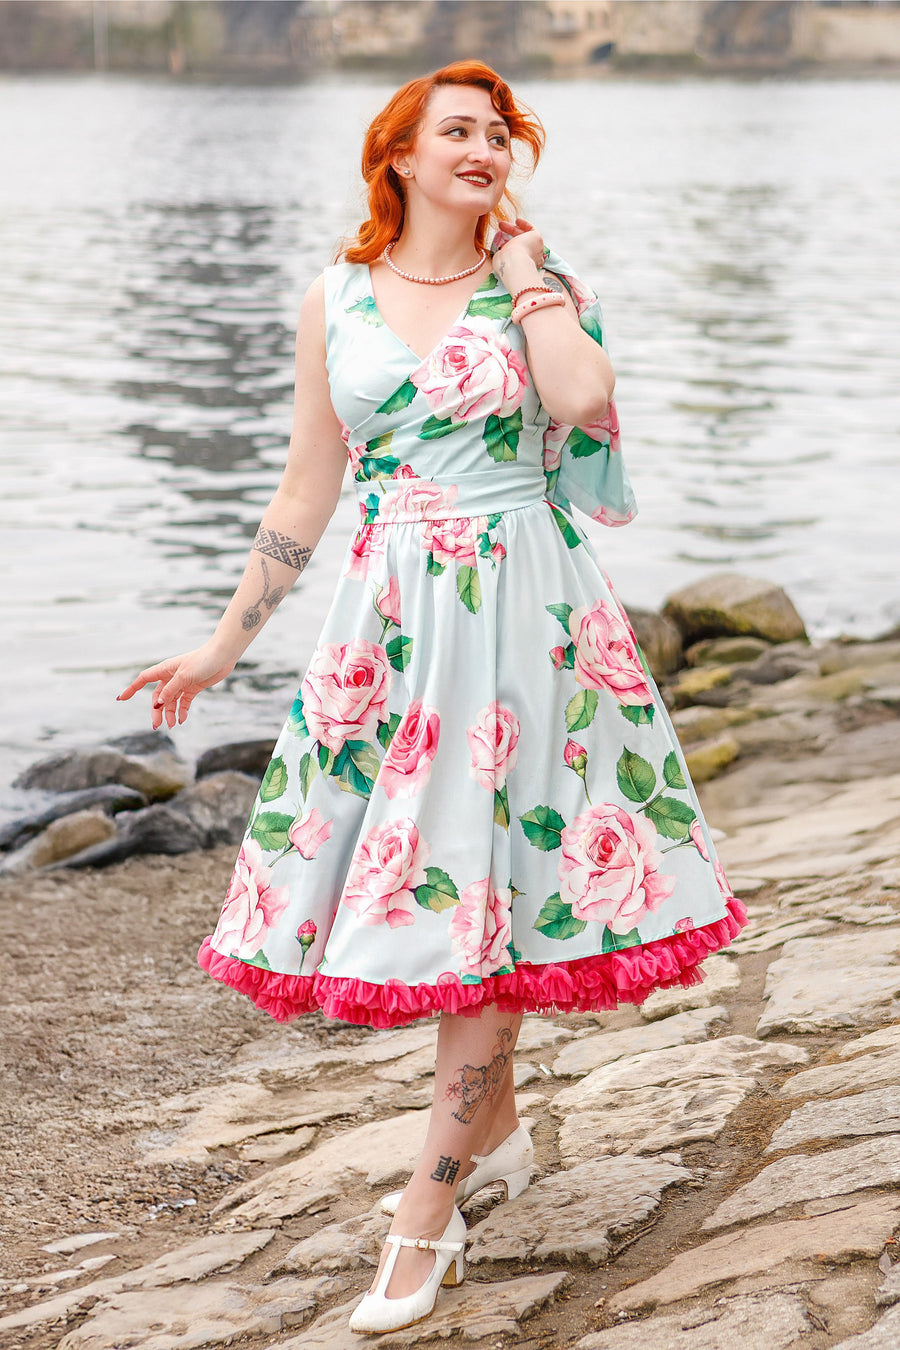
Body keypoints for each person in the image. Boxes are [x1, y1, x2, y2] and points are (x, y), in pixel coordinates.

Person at [119, 60, 747, 1336]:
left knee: (487, 891)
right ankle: (496, 1130)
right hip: (394, 625)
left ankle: (427, 1207)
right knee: (449, 896)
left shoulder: (542, 289)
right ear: (398, 156)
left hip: (526, 623)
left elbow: (583, 403)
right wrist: (223, 647)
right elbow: (307, 490)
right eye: (456, 130)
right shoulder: (336, 298)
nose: (484, 148)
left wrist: (526, 271)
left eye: (500, 134)